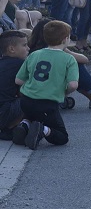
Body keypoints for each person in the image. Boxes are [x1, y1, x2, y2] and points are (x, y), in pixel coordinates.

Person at [14, 19, 76, 148]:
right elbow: (73, 85)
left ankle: (24, 125)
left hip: (26, 101)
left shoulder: (34, 55)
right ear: (65, 39)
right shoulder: (69, 59)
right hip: (47, 104)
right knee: (62, 137)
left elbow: (18, 80)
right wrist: (64, 92)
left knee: (31, 114)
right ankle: (43, 130)